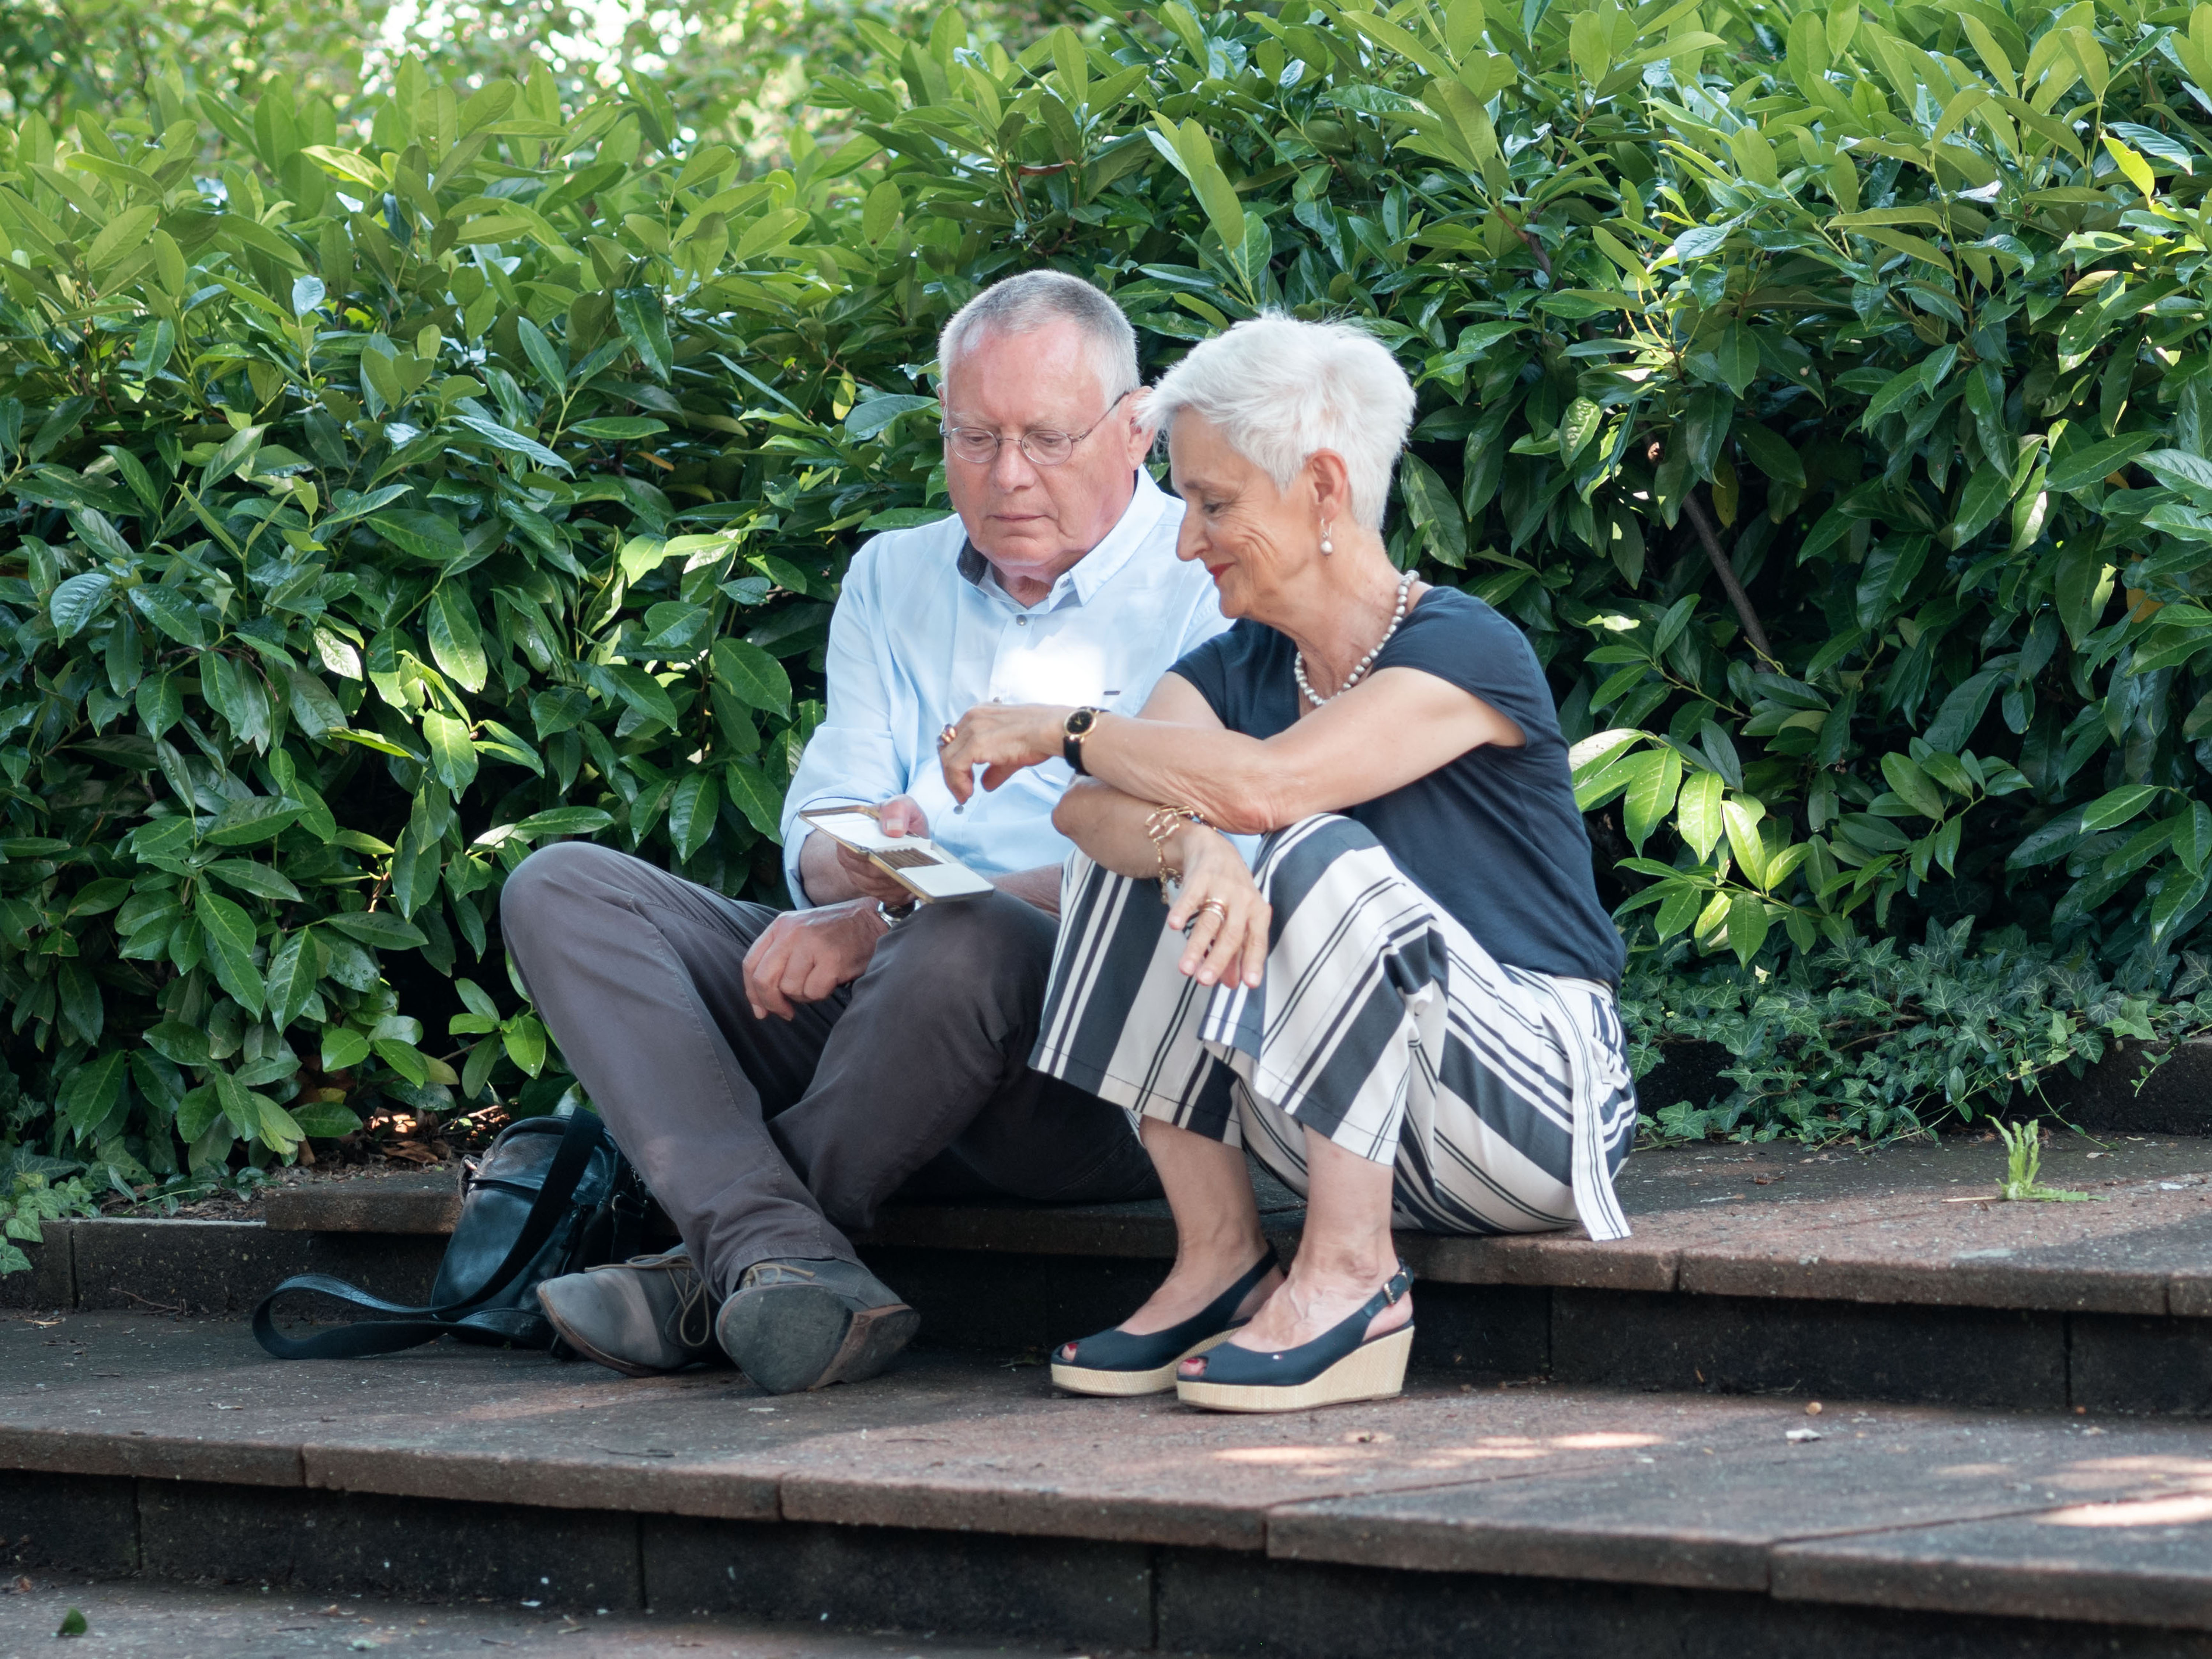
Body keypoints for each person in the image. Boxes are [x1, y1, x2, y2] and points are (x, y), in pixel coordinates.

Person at [502, 272, 1227, 1394]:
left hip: (1087, 1059)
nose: (1008, 474)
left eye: (1045, 436)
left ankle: (719, 1259)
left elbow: (1196, 848)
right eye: (974, 436)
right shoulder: (895, 573)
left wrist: (893, 915)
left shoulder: (1204, 578)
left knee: (969, 938)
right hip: (884, 1006)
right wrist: (856, 866)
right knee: (562, 885)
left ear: (1136, 429)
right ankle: (782, 1258)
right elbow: (828, 819)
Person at [935, 314, 1636, 1414]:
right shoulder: (1233, 668)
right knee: (1140, 846)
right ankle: (1221, 1259)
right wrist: (1194, 841)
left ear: (1320, 487)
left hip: (1531, 1111)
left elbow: (1271, 786)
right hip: (1329, 1115)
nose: (1185, 539)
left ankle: (1354, 1276)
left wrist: (1061, 722)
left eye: (1213, 504)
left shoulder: (1465, 650)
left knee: (1308, 844)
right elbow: (1092, 810)